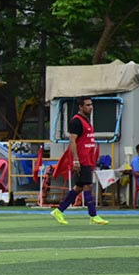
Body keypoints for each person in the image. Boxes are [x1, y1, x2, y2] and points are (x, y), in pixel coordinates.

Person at [50, 96, 109, 225]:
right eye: (87, 105)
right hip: (81, 160)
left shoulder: (86, 121)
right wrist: (76, 160)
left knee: (79, 187)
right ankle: (93, 215)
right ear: (80, 107)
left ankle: (59, 211)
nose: (90, 107)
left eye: (91, 105)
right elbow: (72, 141)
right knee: (87, 185)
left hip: (87, 159)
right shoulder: (76, 121)